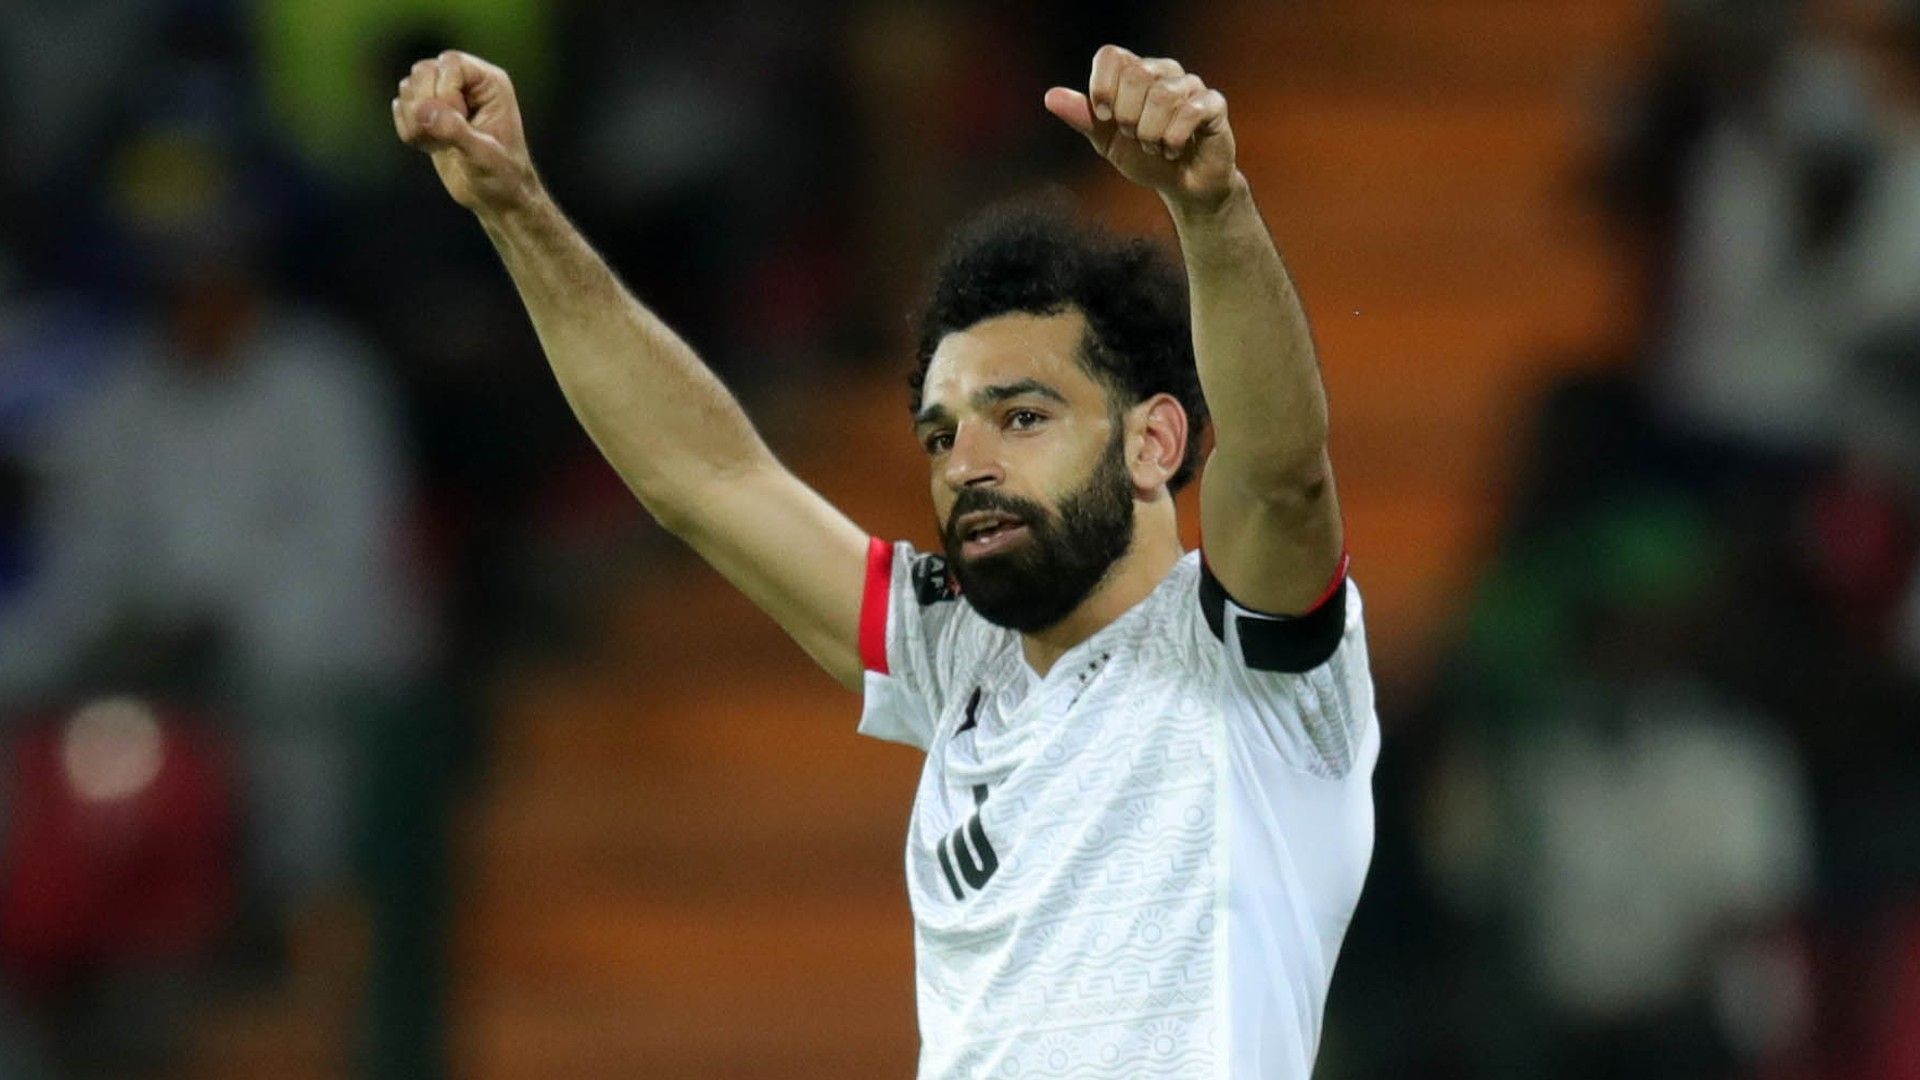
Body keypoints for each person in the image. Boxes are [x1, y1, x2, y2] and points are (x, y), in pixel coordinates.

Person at [393, 43, 1378, 1079]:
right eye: (943, 434)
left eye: (1022, 417)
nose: (969, 465)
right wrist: (515, 207)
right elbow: (709, 478)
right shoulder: (958, 654)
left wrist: (1211, 207)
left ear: (1154, 442)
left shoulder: (1248, 669)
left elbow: (1282, 475)